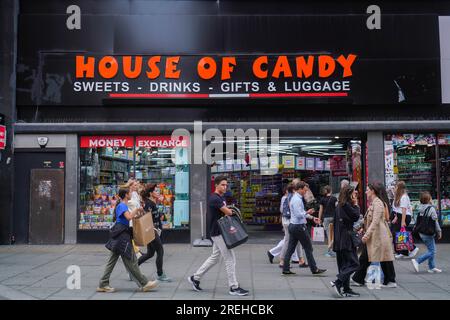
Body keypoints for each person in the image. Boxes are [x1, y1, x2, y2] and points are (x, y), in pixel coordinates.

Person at [188, 175, 249, 296]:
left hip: (218, 232)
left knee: (215, 257)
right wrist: (229, 209)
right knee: (230, 259)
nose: (225, 187)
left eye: (226, 185)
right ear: (216, 185)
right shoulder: (215, 199)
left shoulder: (219, 197)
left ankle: (195, 278)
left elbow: (225, 211)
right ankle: (234, 287)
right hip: (219, 233)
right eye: (222, 184)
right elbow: (229, 212)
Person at [97, 187, 158, 293]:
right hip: (121, 237)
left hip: (121, 235)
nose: (131, 194)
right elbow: (129, 217)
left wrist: (138, 212)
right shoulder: (121, 205)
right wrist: (136, 210)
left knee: (113, 261)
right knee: (132, 261)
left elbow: (130, 217)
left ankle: (103, 283)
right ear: (125, 195)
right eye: (129, 192)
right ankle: (144, 283)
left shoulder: (123, 205)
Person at [281, 181, 327, 276]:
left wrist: (312, 218)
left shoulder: (295, 198)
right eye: (305, 190)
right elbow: (299, 214)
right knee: (308, 247)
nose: (306, 192)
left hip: (293, 225)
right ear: (300, 189)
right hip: (299, 226)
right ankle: (314, 269)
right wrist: (308, 213)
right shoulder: (297, 199)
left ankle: (285, 268)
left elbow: (300, 213)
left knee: (291, 248)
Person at [359, 183, 396, 288]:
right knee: (382, 257)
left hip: (379, 235)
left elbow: (375, 222)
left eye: (367, 190)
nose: (366, 192)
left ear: (373, 191)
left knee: (383, 257)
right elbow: (369, 220)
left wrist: (366, 235)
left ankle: (389, 280)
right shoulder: (374, 203)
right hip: (376, 235)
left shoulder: (378, 203)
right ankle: (388, 280)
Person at [331, 185, 361, 297]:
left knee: (344, 265)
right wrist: (356, 204)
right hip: (346, 239)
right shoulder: (346, 205)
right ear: (350, 194)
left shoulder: (340, 205)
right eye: (354, 193)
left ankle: (346, 288)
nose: (356, 194)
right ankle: (338, 282)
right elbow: (356, 216)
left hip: (340, 239)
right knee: (354, 263)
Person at [138, 183, 172, 282]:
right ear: (151, 193)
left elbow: (152, 214)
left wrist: (159, 215)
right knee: (160, 251)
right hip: (151, 231)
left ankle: (132, 269)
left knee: (150, 253)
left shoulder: (151, 202)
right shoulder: (149, 203)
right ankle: (160, 274)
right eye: (156, 191)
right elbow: (145, 217)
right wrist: (152, 229)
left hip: (153, 230)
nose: (158, 192)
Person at [276, 181, 307, 269]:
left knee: (295, 241)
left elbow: (282, 210)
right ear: (294, 189)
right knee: (289, 241)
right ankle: (282, 260)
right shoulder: (294, 197)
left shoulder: (286, 197)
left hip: (286, 220)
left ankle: (300, 260)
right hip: (291, 221)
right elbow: (296, 212)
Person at [411, 192, 442, 273]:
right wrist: (439, 231)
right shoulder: (431, 209)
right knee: (432, 251)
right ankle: (417, 261)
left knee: (431, 249)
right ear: (429, 199)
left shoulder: (420, 207)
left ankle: (432, 267)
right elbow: (435, 222)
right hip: (428, 232)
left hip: (421, 232)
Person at [392, 181, 419, 259]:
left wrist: (403, 221)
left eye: (396, 187)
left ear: (399, 188)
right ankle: (403, 252)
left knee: (401, 233)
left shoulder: (404, 197)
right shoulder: (400, 196)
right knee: (399, 233)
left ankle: (413, 248)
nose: (395, 188)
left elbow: (404, 209)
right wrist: (396, 217)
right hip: (401, 216)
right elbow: (398, 209)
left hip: (404, 216)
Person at [319, 185, 338, 257]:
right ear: (331, 191)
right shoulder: (334, 198)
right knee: (334, 234)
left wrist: (319, 218)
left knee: (328, 235)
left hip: (326, 219)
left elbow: (321, 210)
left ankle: (330, 251)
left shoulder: (322, 199)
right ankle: (334, 250)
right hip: (334, 218)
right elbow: (337, 208)